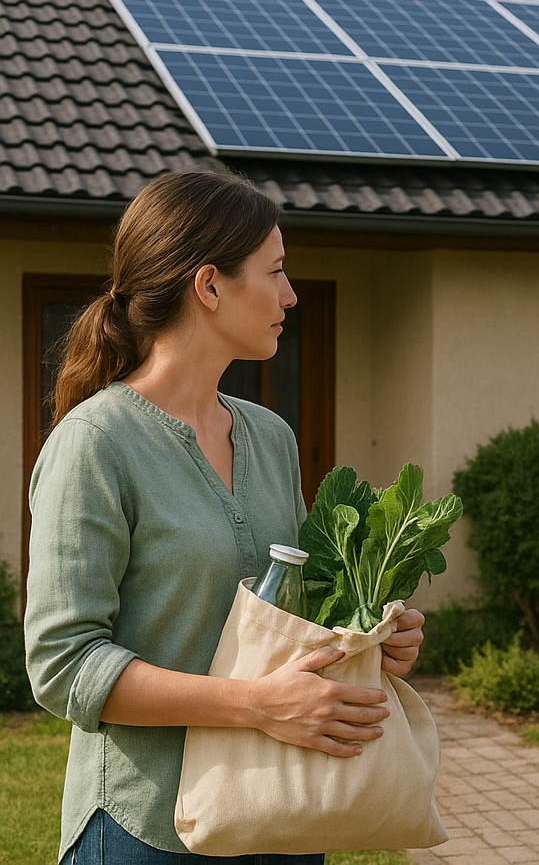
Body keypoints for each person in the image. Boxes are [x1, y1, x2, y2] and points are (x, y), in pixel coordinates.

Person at [24, 170, 425, 864]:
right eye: (274, 272)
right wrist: (254, 703)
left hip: (284, 812)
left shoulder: (270, 437)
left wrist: (369, 636)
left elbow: (298, 614)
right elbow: (65, 666)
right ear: (209, 286)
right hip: (144, 828)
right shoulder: (96, 444)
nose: (290, 295)